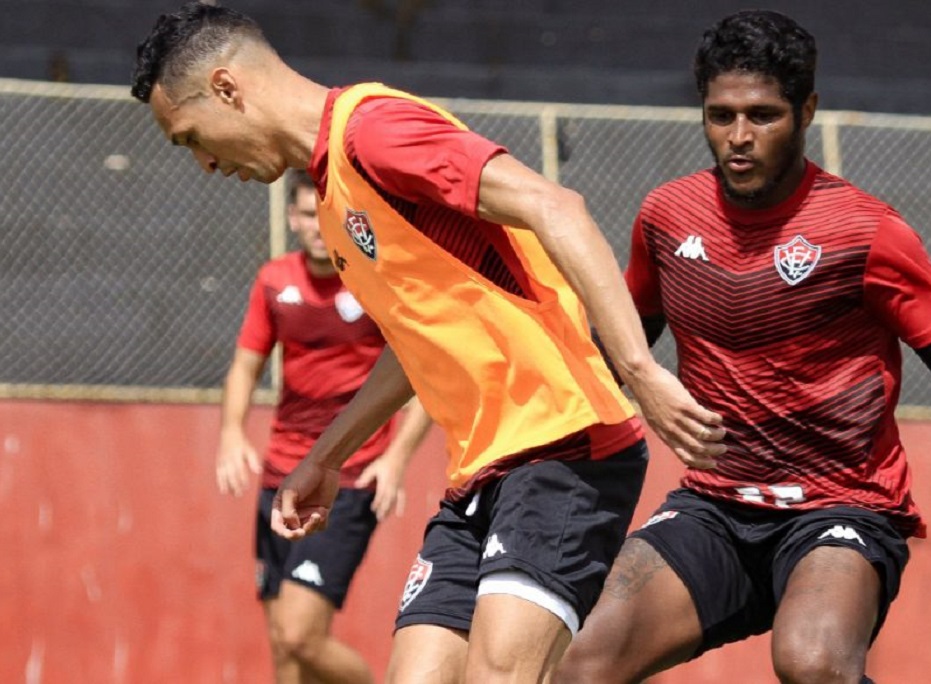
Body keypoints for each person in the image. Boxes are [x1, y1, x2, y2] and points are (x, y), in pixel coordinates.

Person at [131, 4, 727, 682]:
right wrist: (329, 456)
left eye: (190, 137)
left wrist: (640, 371)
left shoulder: (376, 131)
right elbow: (415, 341)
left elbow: (556, 206)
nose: (205, 162)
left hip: (565, 445)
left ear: (228, 89)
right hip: (479, 473)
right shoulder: (333, 197)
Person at [552, 10, 931, 684]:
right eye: (721, 116)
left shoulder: (865, 229)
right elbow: (623, 348)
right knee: (581, 664)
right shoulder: (668, 217)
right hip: (714, 505)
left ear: (806, 110)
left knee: (811, 663)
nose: (739, 137)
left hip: (843, 504)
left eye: (763, 115)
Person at [216, 168, 434, 683]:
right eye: (307, 215)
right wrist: (230, 431)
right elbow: (246, 363)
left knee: (300, 634)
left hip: (348, 481)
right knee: (283, 647)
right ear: (293, 218)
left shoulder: (374, 280)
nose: (316, 226)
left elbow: (424, 370)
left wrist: (397, 455)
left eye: (325, 215)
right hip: (279, 478)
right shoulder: (274, 281)